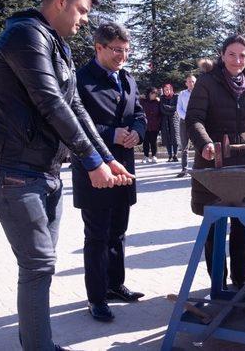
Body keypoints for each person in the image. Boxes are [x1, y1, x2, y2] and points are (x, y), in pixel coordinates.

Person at [0, 0, 134, 350]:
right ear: (61, 1)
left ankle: (39, 343)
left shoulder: (57, 46)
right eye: (81, 11)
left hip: (44, 175)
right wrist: (91, 162)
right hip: (13, 175)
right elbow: (49, 102)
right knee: (38, 267)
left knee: (39, 270)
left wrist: (105, 157)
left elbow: (75, 107)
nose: (84, 21)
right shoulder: (25, 36)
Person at [71, 22, 146, 321]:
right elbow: (74, 124)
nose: (122, 56)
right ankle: (97, 298)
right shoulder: (80, 81)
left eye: (126, 51)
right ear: (98, 47)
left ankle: (116, 285)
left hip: (124, 168)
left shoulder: (127, 79)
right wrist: (112, 134)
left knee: (118, 232)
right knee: (98, 236)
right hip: (95, 171)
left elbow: (138, 114)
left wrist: (137, 134)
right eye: (116, 50)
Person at [185, 34, 245, 289]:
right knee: (214, 227)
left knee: (242, 227)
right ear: (222, 55)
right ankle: (217, 284)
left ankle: (240, 282)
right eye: (232, 54)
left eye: (242, 55)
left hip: (244, 164)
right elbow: (194, 119)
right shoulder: (207, 82)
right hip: (212, 165)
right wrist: (205, 143)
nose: (237, 60)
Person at [176, 74, 197, 177]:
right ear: (186, 83)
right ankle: (184, 169)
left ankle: (198, 167)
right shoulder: (182, 94)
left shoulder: (199, 93)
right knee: (184, 147)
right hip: (184, 122)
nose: (191, 83)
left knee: (198, 145)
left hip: (196, 122)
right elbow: (179, 108)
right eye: (189, 81)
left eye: (193, 81)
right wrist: (186, 117)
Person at [160, 83, 180, 162]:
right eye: (165, 90)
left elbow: (176, 108)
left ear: (171, 89)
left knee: (175, 138)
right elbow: (162, 109)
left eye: (167, 90)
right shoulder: (162, 98)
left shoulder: (176, 97)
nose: (166, 91)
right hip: (165, 120)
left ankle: (175, 155)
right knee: (167, 138)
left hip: (174, 119)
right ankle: (170, 155)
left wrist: (167, 108)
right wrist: (169, 109)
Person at [142, 87, 161, 163]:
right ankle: (145, 156)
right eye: (154, 93)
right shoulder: (142, 101)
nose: (155, 95)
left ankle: (154, 156)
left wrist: (158, 122)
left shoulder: (157, 102)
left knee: (153, 141)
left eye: (156, 93)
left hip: (154, 125)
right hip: (145, 124)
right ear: (149, 93)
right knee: (145, 141)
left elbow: (160, 113)